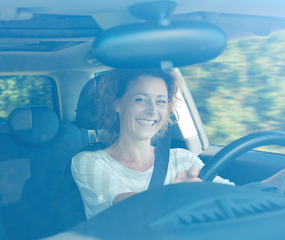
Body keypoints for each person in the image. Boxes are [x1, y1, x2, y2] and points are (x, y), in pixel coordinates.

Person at [71, 69, 235, 219]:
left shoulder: (182, 159)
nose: (152, 110)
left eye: (161, 101)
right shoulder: (89, 162)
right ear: (117, 104)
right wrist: (177, 195)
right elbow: (124, 208)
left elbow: (235, 195)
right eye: (141, 99)